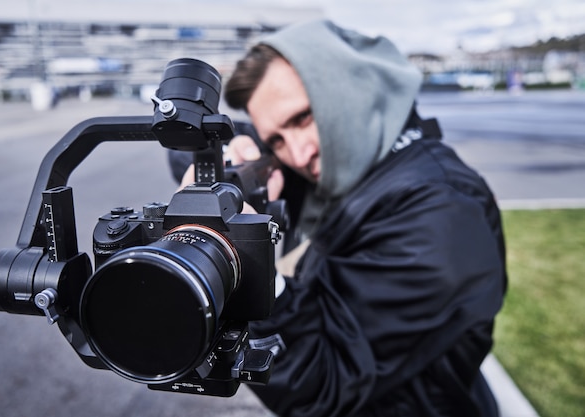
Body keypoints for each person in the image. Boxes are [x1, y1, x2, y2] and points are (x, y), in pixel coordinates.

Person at [177, 19, 507, 417]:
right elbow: (224, 144)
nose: (297, 155)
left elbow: (322, 387)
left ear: (352, 90)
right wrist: (230, 157)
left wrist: (251, 267)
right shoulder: (363, 164)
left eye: (302, 118)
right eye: (276, 140)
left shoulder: (440, 211)